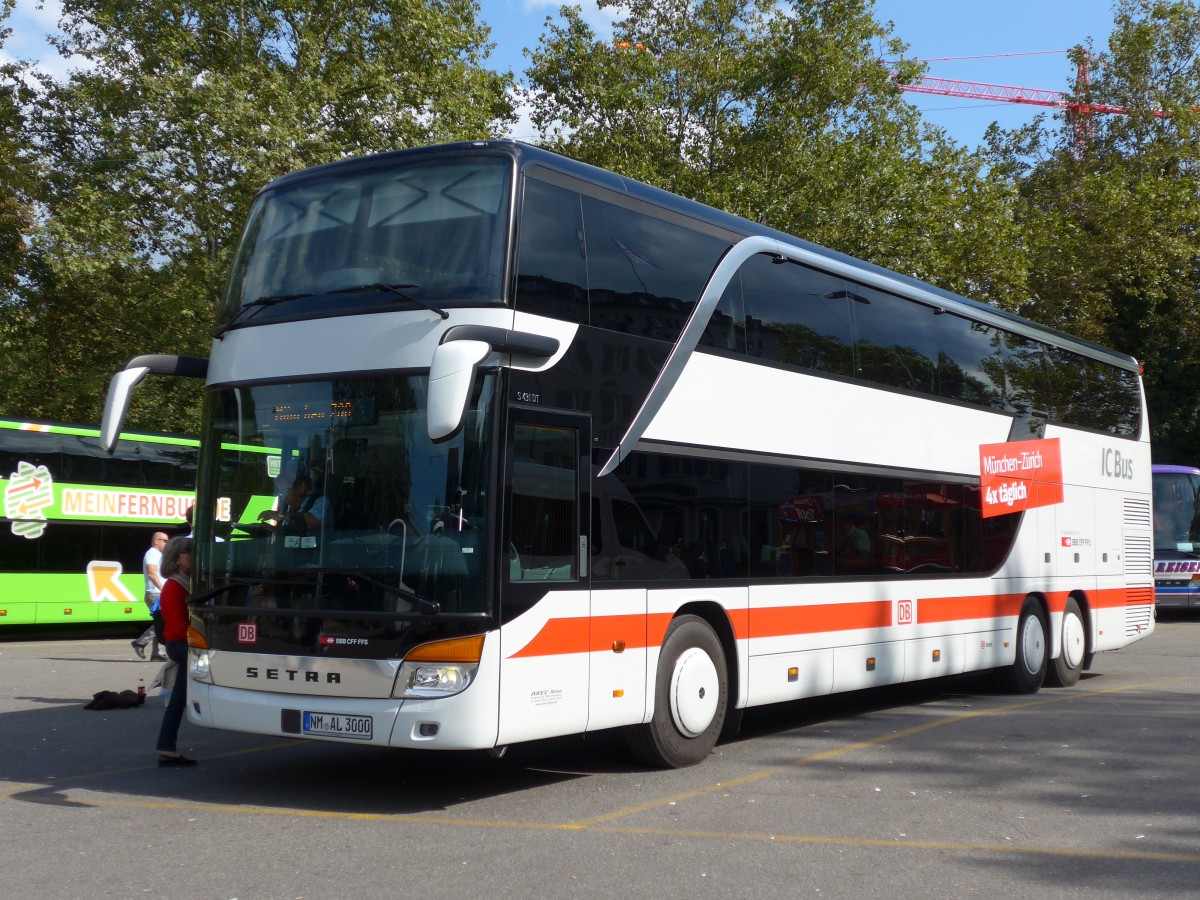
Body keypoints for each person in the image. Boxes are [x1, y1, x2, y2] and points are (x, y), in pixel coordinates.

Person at [156, 535, 197, 766]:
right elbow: (179, 627)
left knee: (179, 699)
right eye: (189, 553)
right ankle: (166, 747)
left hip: (182, 644)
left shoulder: (183, 582)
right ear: (178, 558)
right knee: (178, 700)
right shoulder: (174, 586)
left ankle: (167, 748)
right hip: (181, 645)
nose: (193, 557)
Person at [131, 532, 168, 661]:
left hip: (157, 592)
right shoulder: (152, 553)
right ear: (155, 541)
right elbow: (152, 573)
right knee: (163, 622)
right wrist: (164, 590)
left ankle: (157, 653)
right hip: (156, 593)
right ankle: (140, 642)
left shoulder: (158, 554)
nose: (166, 543)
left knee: (161, 621)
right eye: (164, 540)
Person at [258, 473, 325, 534]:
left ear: (302, 487)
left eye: (286, 491)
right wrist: (272, 529)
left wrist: (281, 515)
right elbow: (290, 531)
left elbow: (312, 523)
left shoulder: (321, 502)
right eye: (281, 493)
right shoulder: (288, 508)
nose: (284, 496)